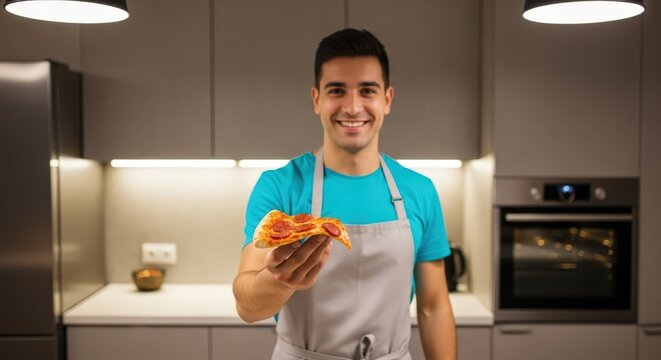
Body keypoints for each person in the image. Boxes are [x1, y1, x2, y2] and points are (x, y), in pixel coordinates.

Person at [233, 28, 457, 360]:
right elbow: (247, 306)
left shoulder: (419, 191)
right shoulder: (280, 186)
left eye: (367, 90)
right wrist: (278, 280)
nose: (352, 107)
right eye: (337, 90)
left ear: (387, 99)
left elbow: (434, 306)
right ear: (316, 100)